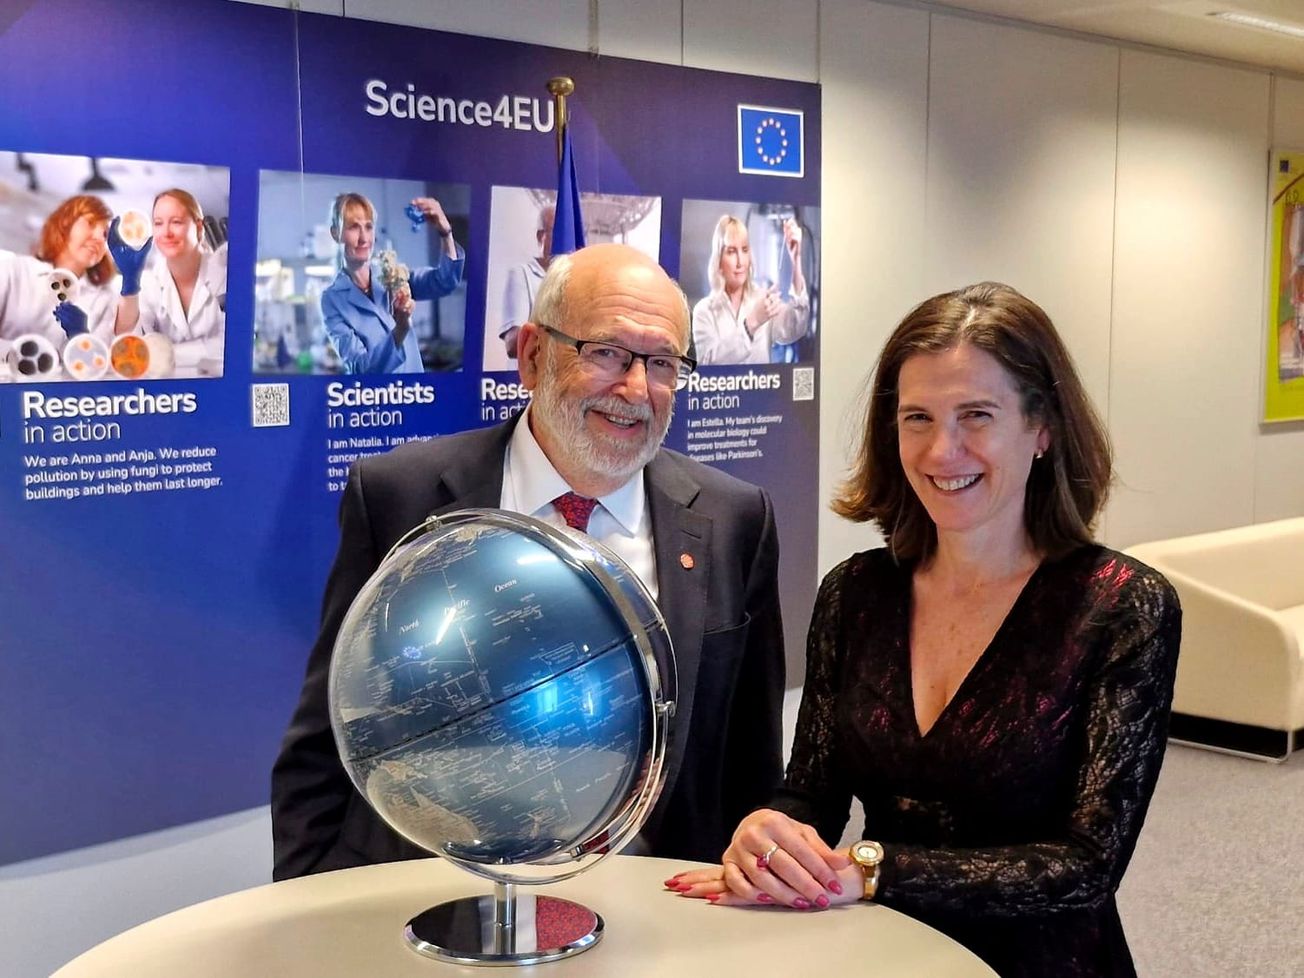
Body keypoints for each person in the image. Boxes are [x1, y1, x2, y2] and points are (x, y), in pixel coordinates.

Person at [669, 283, 1182, 978]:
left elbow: (1085, 867)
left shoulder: (1122, 607)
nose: (943, 450)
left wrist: (873, 868)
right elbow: (812, 794)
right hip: (880, 951)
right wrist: (773, 834)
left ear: (1042, 428)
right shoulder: (855, 592)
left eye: (977, 415)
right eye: (917, 418)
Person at [272, 243, 786, 879]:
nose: (637, 389)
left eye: (661, 363)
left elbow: (753, 760)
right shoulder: (396, 495)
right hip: (421, 902)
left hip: (659, 910)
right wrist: (309, 907)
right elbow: (330, 733)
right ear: (533, 356)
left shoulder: (736, 519)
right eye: (607, 353)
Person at [319, 192, 464, 374]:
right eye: (354, 227)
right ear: (335, 234)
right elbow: (361, 368)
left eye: (369, 227)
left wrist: (445, 232)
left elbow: (445, 281)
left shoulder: (393, 275)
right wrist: (401, 329)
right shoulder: (332, 300)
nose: (364, 238)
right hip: (379, 399)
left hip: (417, 393)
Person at [111, 188, 225, 374]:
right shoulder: (149, 282)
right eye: (158, 223)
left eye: (176, 222)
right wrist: (130, 283)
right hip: (168, 398)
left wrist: (166, 353)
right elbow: (132, 344)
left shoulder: (223, 274)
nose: (166, 232)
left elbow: (232, 344)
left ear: (198, 227)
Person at [0, 194, 118, 362]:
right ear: (65, 224)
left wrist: (81, 339)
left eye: (105, 234)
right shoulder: (14, 271)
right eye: (90, 223)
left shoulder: (104, 300)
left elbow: (96, 366)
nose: (99, 239)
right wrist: (28, 355)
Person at [692, 214, 808, 365]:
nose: (740, 262)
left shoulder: (762, 300)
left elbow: (795, 328)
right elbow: (707, 364)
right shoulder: (704, 311)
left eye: (744, 250)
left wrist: (796, 259)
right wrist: (752, 322)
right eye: (731, 251)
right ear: (719, 261)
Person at [497, 203, 555, 359]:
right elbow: (513, 345)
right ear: (540, 236)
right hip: (525, 382)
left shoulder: (574, 280)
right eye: (556, 231)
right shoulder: (521, 274)